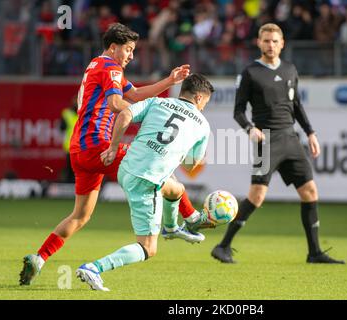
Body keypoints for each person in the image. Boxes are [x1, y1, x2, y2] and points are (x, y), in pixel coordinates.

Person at [19, 23, 204, 286]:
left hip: (80, 152)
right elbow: (117, 104)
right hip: (98, 147)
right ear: (113, 47)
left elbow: (136, 93)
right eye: (128, 50)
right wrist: (151, 115)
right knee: (156, 165)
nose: (131, 56)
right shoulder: (111, 68)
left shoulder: (98, 65)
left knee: (80, 215)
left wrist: (169, 81)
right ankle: (188, 218)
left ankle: (39, 258)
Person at [211, 23, 345, 264]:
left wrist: (310, 132)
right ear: (259, 43)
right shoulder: (250, 73)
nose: (270, 45)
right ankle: (223, 246)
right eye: (266, 41)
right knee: (257, 196)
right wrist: (250, 129)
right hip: (267, 142)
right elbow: (238, 111)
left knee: (310, 191)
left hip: (291, 139)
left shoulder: (290, 69)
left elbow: (297, 106)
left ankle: (314, 252)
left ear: (282, 43)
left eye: (274, 41)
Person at [76, 74, 213, 291]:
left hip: (127, 169)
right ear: (198, 98)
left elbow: (124, 115)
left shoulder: (158, 102)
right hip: (146, 182)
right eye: (205, 102)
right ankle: (94, 268)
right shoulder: (202, 124)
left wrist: (113, 147)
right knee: (148, 247)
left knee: (176, 189)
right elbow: (189, 166)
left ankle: (171, 227)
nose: (204, 107)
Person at [59, 97, 78, 183]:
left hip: (80, 146)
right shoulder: (67, 113)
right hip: (70, 146)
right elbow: (61, 128)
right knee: (70, 168)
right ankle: (69, 185)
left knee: (78, 169)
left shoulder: (84, 113)